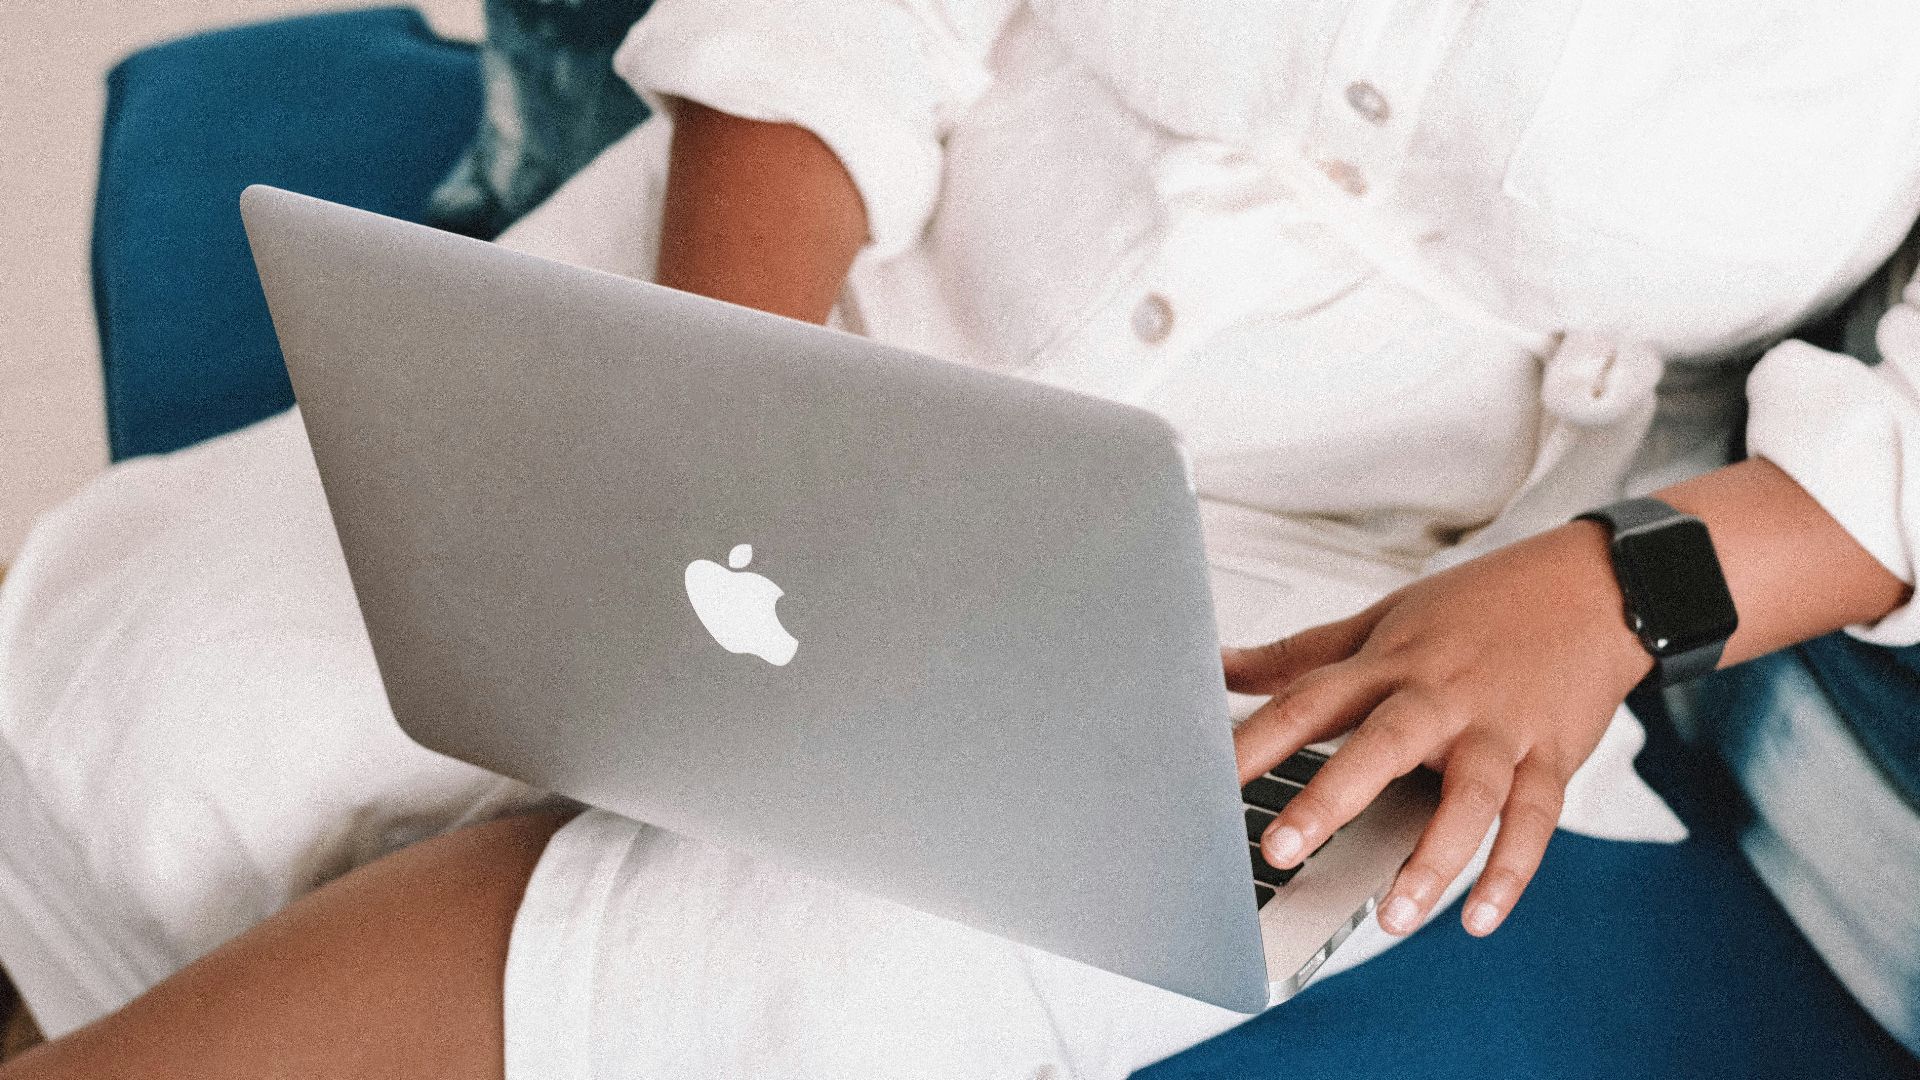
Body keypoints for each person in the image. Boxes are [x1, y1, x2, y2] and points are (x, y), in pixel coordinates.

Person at [4, 1, 1920, 1076]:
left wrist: (1620, 594)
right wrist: (724, 395)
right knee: (177, 704)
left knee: (794, 975)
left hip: (1381, 579)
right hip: (822, 283)